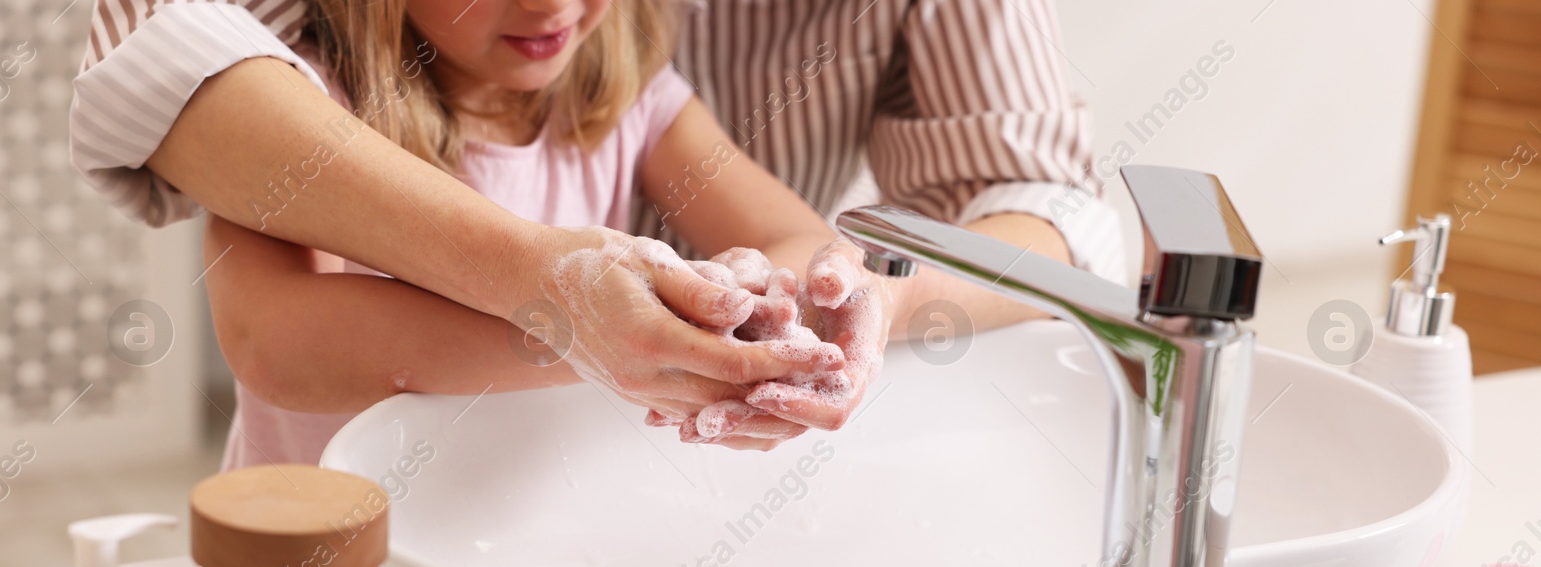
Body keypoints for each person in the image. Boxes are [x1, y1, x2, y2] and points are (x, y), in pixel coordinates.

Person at [70, 0, 1122, 448]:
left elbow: (802, 240)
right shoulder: (308, 93)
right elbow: (273, 339)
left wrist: (801, 301)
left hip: (508, 536)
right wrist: (577, 331)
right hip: (326, 552)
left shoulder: (627, 95)